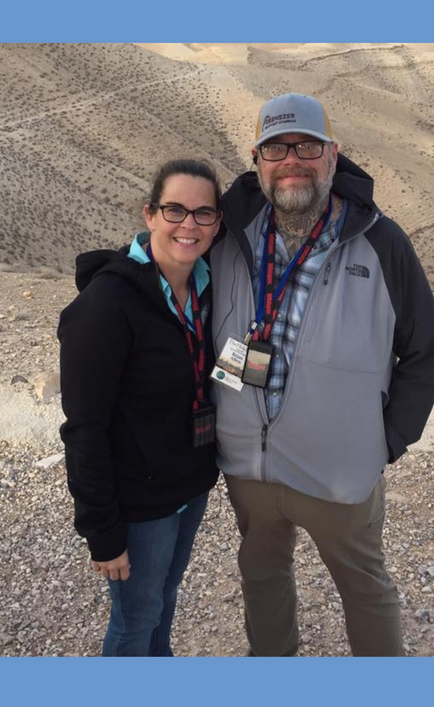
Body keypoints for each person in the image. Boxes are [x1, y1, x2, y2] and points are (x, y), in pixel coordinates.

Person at [210, 93, 434, 656]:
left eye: (307, 146)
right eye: (276, 148)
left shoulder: (381, 242)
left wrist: (386, 440)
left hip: (340, 474)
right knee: (261, 576)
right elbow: (170, 260)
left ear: (333, 156)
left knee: (365, 590)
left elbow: (426, 348)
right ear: (256, 160)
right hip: (248, 467)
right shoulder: (228, 233)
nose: (291, 160)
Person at [58, 159, 221, 656]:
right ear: (149, 214)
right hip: (139, 503)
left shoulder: (207, 287)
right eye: (175, 210)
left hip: (189, 488)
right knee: (135, 620)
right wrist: (103, 533)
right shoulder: (105, 306)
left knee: (164, 601)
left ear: (217, 224)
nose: (189, 224)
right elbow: (84, 430)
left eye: (204, 213)